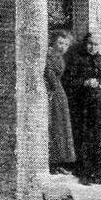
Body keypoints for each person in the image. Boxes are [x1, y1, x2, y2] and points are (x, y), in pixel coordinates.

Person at [65, 32, 101, 185]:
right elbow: (69, 80)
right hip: (83, 103)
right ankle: (86, 172)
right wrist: (84, 82)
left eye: (95, 44)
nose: (92, 47)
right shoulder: (78, 59)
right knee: (87, 136)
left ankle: (100, 172)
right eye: (90, 43)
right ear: (85, 44)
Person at [44, 29, 76, 175]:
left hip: (59, 93)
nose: (62, 46)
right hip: (52, 92)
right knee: (53, 127)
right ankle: (52, 162)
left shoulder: (60, 58)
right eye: (60, 43)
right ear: (54, 42)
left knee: (61, 128)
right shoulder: (49, 55)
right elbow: (49, 74)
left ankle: (59, 162)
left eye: (66, 44)